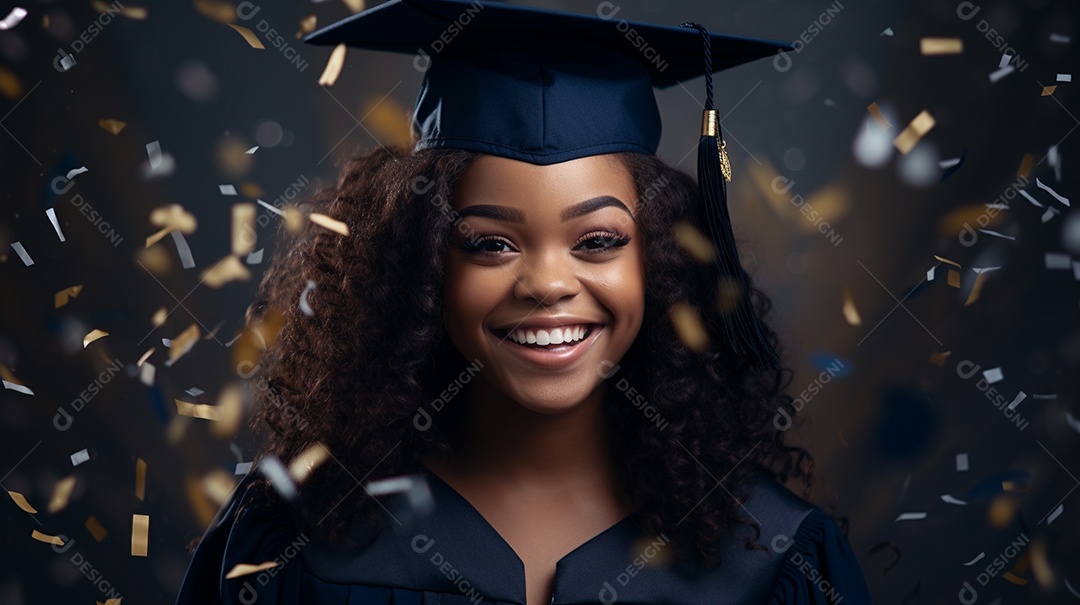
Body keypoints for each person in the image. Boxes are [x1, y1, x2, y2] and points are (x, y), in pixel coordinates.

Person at [176, 1, 874, 603]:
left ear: (659, 263)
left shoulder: (772, 560)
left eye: (597, 239)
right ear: (422, 269)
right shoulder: (297, 543)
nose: (545, 282)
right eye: (491, 244)